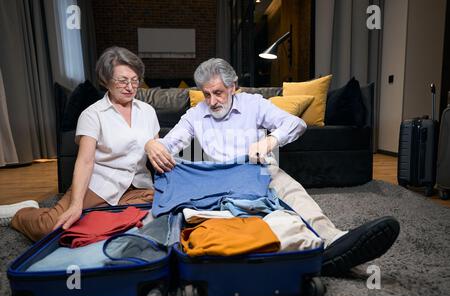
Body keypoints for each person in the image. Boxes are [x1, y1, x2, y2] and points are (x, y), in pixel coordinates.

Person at [145, 58, 400, 276]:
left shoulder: (254, 104)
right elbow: (170, 142)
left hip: (258, 169)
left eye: (218, 92)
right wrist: (153, 145)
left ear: (233, 87)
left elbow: (296, 124)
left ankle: (333, 240)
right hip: (219, 180)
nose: (212, 101)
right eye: (206, 94)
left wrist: (270, 140)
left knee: (290, 191)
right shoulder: (194, 114)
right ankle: (308, 254)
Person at [0, 47, 159, 242]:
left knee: (150, 221)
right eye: (122, 80)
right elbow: (85, 161)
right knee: (52, 228)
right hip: (100, 184)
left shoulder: (148, 111)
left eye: (135, 80)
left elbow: (156, 152)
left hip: (138, 187)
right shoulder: (93, 114)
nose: (130, 87)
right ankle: (20, 213)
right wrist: (76, 204)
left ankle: (101, 213)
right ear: (106, 81)